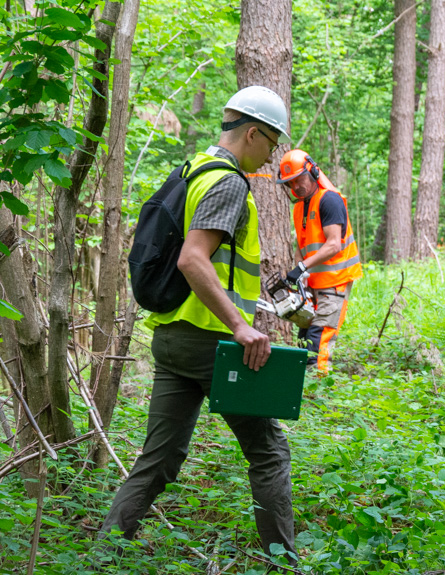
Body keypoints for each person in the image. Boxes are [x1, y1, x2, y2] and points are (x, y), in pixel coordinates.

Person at [99, 86, 298, 565]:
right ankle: (283, 561)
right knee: (269, 451)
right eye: (272, 142)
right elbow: (193, 259)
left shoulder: (193, 169)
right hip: (210, 343)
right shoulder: (228, 183)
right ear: (252, 132)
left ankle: (99, 555)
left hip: (171, 340)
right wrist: (240, 327)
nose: (272, 155)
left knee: (159, 459)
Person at [275, 149, 362, 372]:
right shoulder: (300, 207)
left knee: (319, 339)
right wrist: (300, 272)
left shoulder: (329, 200)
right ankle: (305, 392)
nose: (296, 187)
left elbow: (334, 244)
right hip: (313, 283)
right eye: (290, 183)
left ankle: (320, 392)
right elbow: (302, 246)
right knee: (304, 338)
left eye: (299, 180)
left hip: (335, 280)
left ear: (312, 172)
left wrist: (303, 266)